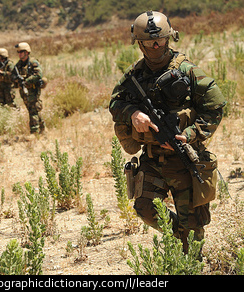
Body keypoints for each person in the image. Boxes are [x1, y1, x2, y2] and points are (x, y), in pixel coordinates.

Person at [109, 11, 226, 254]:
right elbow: (115, 103)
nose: (155, 45)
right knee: (144, 208)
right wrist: (132, 113)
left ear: (169, 38)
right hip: (152, 159)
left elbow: (215, 106)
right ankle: (180, 239)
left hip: (184, 159)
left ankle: (191, 258)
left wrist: (192, 134)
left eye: (160, 40)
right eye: (150, 41)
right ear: (139, 43)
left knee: (193, 223)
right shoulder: (135, 76)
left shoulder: (188, 71)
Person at [12, 42, 45, 134]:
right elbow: (13, 75)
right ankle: (43, 128)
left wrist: (26, 81)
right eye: (18, 52)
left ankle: (34, 132)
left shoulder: (33, 63)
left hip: (33, 89)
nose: (19, 54)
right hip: (23, 90)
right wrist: (16, 79)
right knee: (32, 109)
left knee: (33, 109)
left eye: (21, 52)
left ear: (26, 52)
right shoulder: (18, 65)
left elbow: (38, 75)